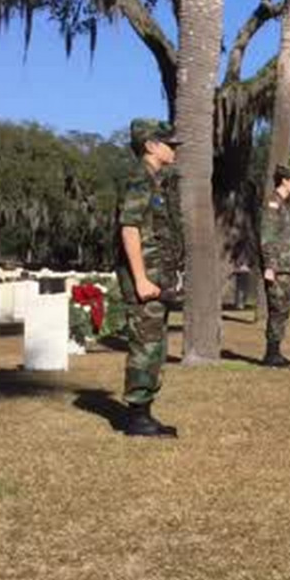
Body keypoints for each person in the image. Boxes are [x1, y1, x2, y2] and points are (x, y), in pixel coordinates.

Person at [115, 118, 185, 437]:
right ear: (150, 146)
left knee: (153, 345)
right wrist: (141, 279)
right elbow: (129, 228)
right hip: (146, 280)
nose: (174, 148)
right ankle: (137, 417)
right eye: (168, 143)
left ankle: (143, 412)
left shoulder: (156, 181)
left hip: (159, 278)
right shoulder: (139, 180)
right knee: (145, 345)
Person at [261, 164, 290, 367]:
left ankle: (276, 351)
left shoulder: (284, 205)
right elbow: (267, 236)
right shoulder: (273, 204)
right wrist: (269, 265)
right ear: (284, 180)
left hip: (285, 267)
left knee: (283, 309)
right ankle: (271, 353)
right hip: (277, 267)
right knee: (277, 308)